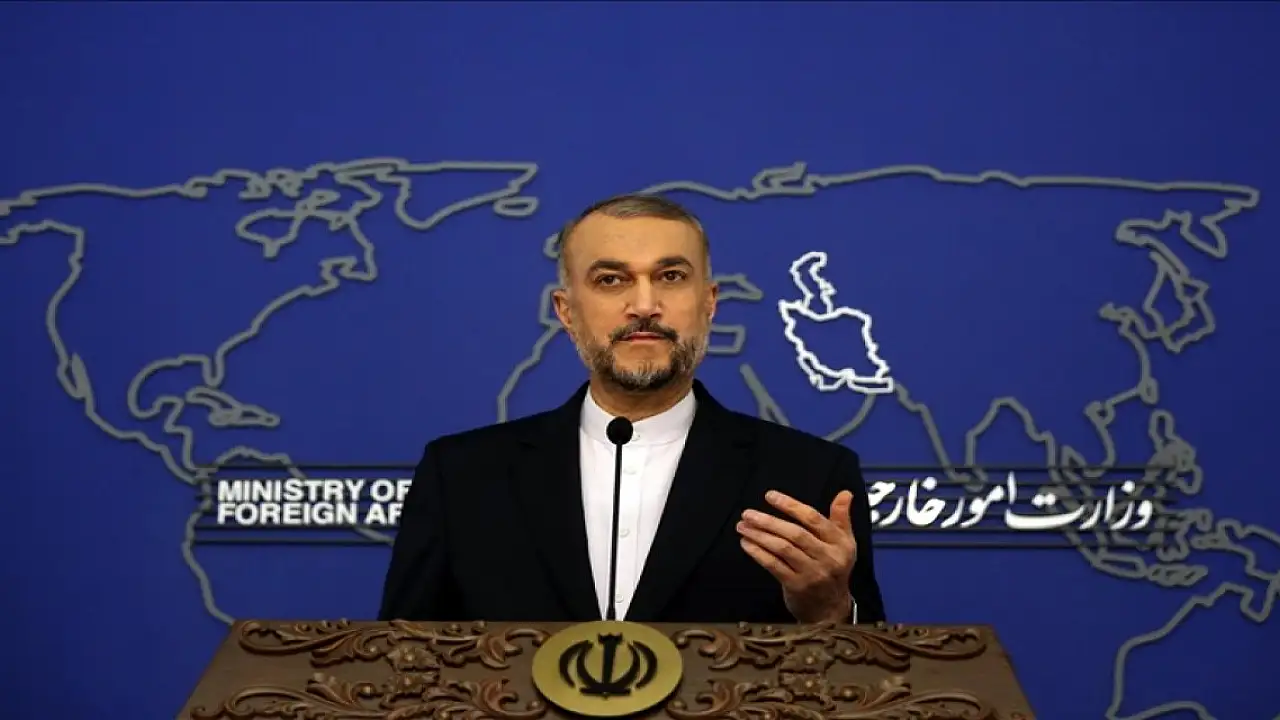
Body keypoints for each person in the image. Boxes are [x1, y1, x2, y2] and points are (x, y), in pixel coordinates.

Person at [378, 193, 886, 625]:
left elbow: (875, 680)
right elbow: (399, 666)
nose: (644, 305)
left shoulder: (810, 476)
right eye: (610, 280)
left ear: (709, 302)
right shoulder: (462, 477)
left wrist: (831, 610)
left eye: (671, 276)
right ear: (566, 311)